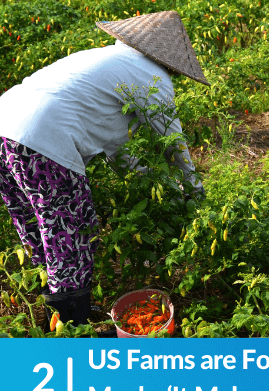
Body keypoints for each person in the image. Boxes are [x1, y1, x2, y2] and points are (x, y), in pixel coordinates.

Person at [0, 11, 209, 331]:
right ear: (172, 61)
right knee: (74, 231)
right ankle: (71, 324)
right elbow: (174, 143)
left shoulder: (104, 58)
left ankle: (55, 302)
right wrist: (195, 192)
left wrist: (145, 184)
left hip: (5, 123)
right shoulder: (157, 80)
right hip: (42, 139)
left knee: (35, 223)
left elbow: (119, 152)